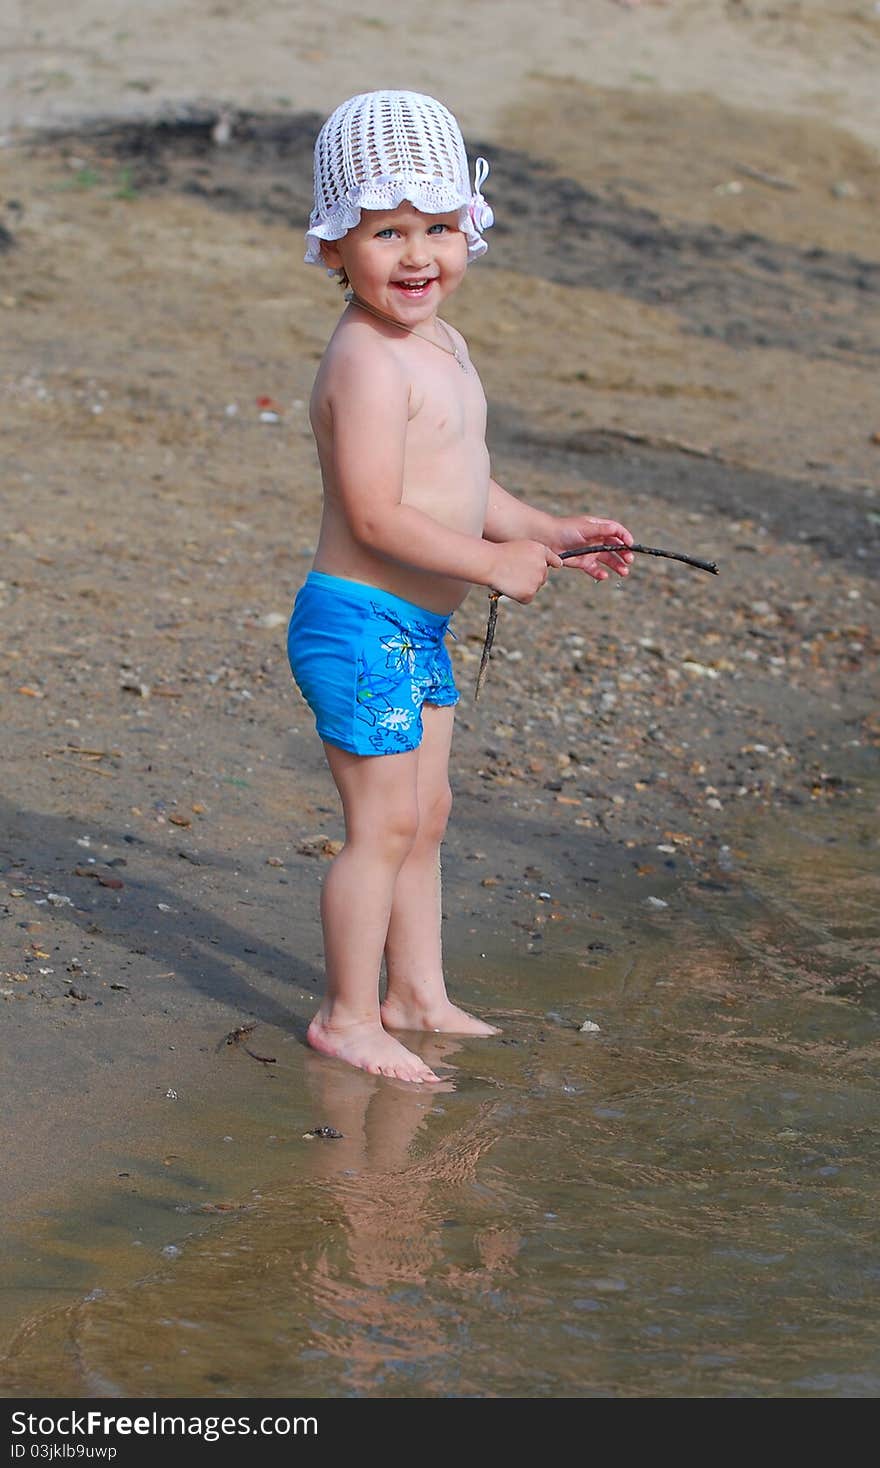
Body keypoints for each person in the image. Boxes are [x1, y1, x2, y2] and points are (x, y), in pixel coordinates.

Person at [288, 90, 634, 1083]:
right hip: (357, 623)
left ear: (469, 230)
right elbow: (374, 515)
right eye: (385, 231)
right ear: (332, 250)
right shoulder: (364, 361)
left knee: (426, 815)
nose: (416, 255)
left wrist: (541, 531)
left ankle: (418, 993)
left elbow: (460, 480)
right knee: (381, 825)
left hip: (415, 627)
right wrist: (491, 564)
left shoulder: (443, 345)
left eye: (438, 227)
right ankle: (347, 1014)